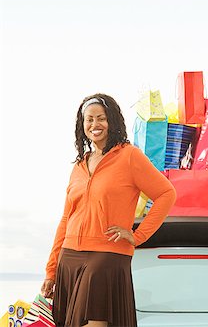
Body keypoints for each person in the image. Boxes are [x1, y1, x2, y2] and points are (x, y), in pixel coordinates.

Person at [41, 93, 176, 327]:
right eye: (89, 119)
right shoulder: (80, 166)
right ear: (81, 125)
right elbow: (66, 218)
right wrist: (51, 271)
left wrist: (137, 235)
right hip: (70, 256)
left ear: (112, 121)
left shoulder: (129, 156)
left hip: (107, 255)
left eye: (101, 118)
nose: (95, 125)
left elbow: (166, 193)